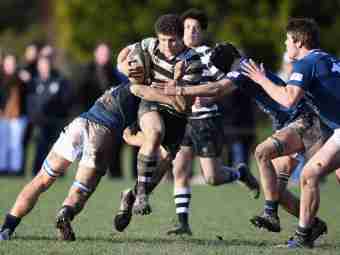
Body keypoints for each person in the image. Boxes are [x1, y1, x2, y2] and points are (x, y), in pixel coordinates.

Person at [153, 41, 329, 244]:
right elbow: (217, 92)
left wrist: (180, 91)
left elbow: (218, 88)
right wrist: (205, 99)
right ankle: (312, 225)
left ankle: (270, 213)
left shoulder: (243, 67)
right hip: (289, 124)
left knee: (262, 153)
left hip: (302, 120)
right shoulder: (242, 69)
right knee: (276, 191)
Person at [0, 65, 183, 241]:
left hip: (79, 124)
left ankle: (7, 227)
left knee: (41, 179)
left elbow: (128, 133)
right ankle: (65, 212)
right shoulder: (144, 94)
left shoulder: (119, 86)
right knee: (81, 190)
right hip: (102, 134)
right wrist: (174, 102)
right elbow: (130, 132)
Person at [241, 18, 340, 248]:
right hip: (336, 130)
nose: (285, 45)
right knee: (311, 175)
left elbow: (288, 99)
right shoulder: (327, 59)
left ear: (298, 41)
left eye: (287, 41)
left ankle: (304, 236)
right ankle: (304, 235)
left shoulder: (306, 64)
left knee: (309, 175)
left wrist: (260, 79)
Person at [165, 9, 259, 236]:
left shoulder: (210, 55)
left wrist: (212, 96)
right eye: (187, 27)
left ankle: (240, 174)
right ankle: (183, 223)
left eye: (196, 28)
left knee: (212, 178)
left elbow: (232, 82)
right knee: (180, 169)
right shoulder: (172, 55)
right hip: (182, 120)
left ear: (202, 32)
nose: (191, 32)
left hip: (206, 121)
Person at [116, 14, 204, 216]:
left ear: (181, 38)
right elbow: (122, 57)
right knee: (155, 133)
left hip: (178, 115)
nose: (167, 45)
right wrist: (126, 68)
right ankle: (141, 197)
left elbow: (183, 106)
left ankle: (131, 196)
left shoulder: (193, 62)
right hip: (152, 104)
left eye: (172, 40)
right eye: (163, 40)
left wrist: (176, 83)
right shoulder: (149, 44)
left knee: (162, 164)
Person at [77, 42, 131, 179]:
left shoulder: (114, 72)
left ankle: (116, 174)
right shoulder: (87, 71)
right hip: (91, 115)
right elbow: (80, 94)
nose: (104, 56)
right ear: (96, 54)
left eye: (106, 53)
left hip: (112, 116)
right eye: (102, 53)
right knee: (90, 148)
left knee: (115, 148)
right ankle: (86, 175)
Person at [27, 56, 73, 176]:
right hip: (40, 121)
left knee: (57, 148)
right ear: (38, 67)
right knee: (40, 146)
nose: (44, 68)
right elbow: (31, 101)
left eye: (46, 65)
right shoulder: (35, 82)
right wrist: (33, 116)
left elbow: (66, 99)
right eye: (41, 65)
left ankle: (58, 172)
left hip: (56, 120)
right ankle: (37, 171)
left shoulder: (59, 81)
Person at [0, 54, 27, 175]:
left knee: (16, 144)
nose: (10, 66)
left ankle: (15, 169)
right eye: (8, 63)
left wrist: (27, 80)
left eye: (12, 63)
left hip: (18, 116)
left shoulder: (21, 79)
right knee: (3, 143)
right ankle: (2, 167)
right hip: (3, 116)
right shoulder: (1, 78)